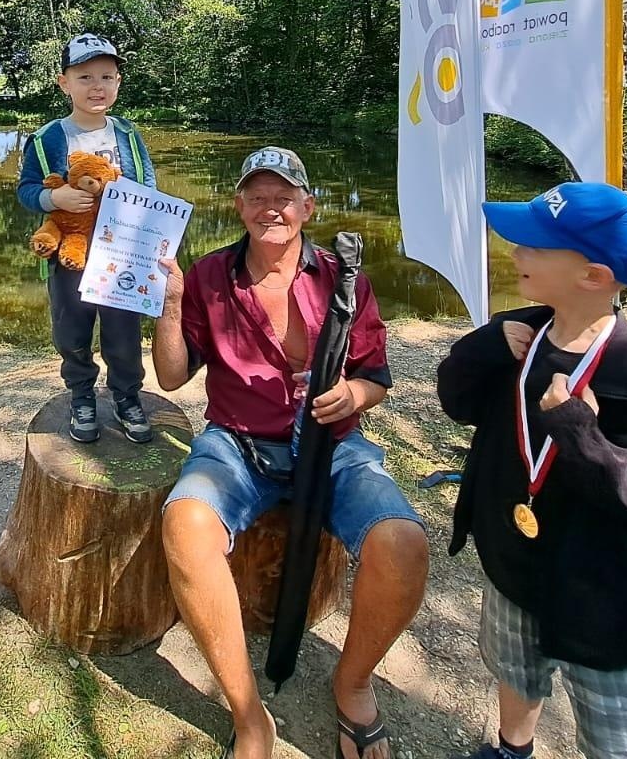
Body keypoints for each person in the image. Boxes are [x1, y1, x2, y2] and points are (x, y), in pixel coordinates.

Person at [152, 146, 428, 759]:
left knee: (403, 543)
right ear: (238, 205)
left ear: (308, 206)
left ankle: (353, 684)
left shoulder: (343, 278)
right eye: (257, 197)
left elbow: (376, 377)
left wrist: (352, 392)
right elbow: (170, 377)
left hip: (334, 444)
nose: (270, 209)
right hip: (237, 443)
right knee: (185, 524)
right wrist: (168, 304)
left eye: (284, 197)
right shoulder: (207, 277)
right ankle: (249, 714)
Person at [438, 183, 627, 759]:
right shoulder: (519, 335)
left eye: (535, 247)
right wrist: (483, 347)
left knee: (615, 733)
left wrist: (581, 435)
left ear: (593, 276)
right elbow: (457, 402)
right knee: (514, 668)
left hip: (599, 598)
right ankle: (512, 748)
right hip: (513, 563)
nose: (515, 253)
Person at [17, 33, 157, 444]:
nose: (98, 86)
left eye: (107, 77)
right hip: (69, 255)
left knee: (124, 334)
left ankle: (127, 397)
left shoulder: (128, 134)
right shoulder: (47, 139)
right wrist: (53, 198)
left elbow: (148, 184)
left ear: (118, 83)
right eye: (85, 77)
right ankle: (81, 396)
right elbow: (26, 189)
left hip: (121, 255)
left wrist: (149, 223)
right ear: (64, 83)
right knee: (72, 333)